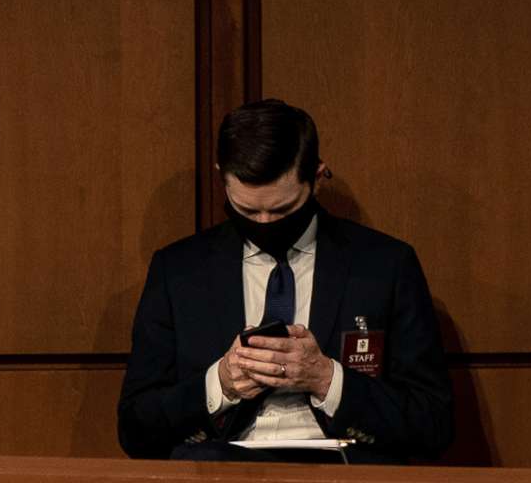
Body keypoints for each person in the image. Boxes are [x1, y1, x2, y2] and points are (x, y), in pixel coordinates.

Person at [117, 99, 451, 462]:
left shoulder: (385, 266)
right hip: (215, 478)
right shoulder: (178, 271)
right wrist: (220, 385)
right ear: (222, 177)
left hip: (347, 480)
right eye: (246, 209)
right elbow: (136, 430)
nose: (263, 223)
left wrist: (326, 379)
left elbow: (433, 424)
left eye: (282, 210)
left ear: (318, 177)